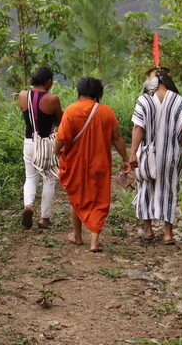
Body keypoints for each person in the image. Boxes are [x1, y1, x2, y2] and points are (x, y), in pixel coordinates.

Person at [54, 76, 129, 253]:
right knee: (99, 199)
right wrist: (125, 159)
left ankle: (78, 236)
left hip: (76, 163)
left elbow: (61, 138)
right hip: (100, 162)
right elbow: (117, 137)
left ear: (79, 91)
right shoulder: (106, 111)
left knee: (76, 197)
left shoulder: (71, 111)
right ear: (98, 93)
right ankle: (94, 241)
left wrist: (56, 153)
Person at [128, 66, 182, 245]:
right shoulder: (180, 102)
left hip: (146, 155)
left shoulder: (144, 100)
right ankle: (168, 234)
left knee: (145, 189)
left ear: (153, 83)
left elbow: (138, 128)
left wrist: (132, 154)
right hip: (171, 155)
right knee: (169, 191)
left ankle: (149, 230)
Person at [18, 66, 62, 229]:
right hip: (45, 144)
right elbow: (60, 121)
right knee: (49, 178)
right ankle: (45, 218)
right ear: (49, 81)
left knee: (30, 176)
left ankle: (28, 205)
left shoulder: (22, 96)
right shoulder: (52, 99)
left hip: (29, 141)